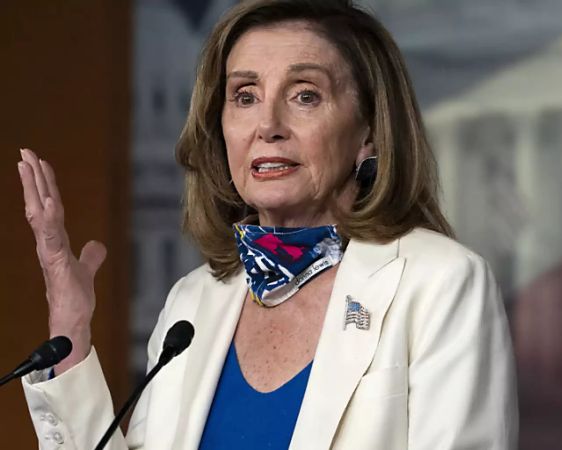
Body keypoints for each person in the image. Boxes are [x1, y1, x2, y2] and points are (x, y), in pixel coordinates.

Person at [16, 0, 518, 448]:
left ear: (368, 131)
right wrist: (71, 331)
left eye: (305, 95)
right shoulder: (192, 303)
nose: (268, 125)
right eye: (245, 96)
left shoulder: (441, 283)